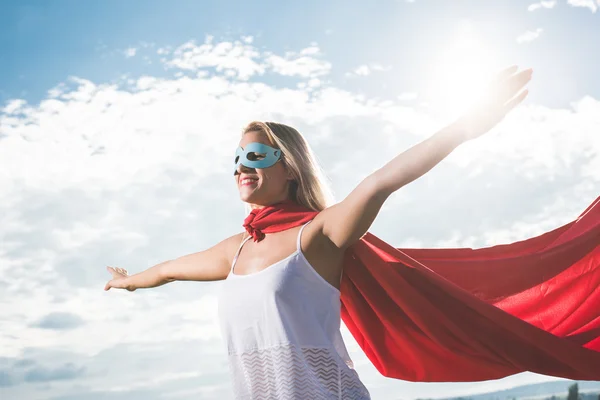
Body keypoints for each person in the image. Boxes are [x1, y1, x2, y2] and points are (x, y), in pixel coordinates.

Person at [105, 66, 533, 399]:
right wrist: (128, 282)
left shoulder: (319, 234)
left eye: (255, 155)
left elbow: (381, 181)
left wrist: (462, 128)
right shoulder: (235, 251)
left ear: (289, 167)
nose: (240, 166)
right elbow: (166, 271)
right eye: (236, 158)